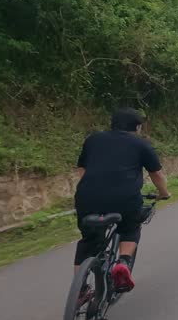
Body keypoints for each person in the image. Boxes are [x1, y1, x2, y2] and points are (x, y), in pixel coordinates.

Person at [73, 108, 170, 292]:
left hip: (87, 197)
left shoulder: (93, 140)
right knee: (131, 226)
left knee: (89, 241)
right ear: (138, 127)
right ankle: (123, 263)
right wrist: (164, 193)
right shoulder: (141, 144)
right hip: (124, 199)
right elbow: (156, 174)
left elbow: (82, 171)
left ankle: (80, 289)